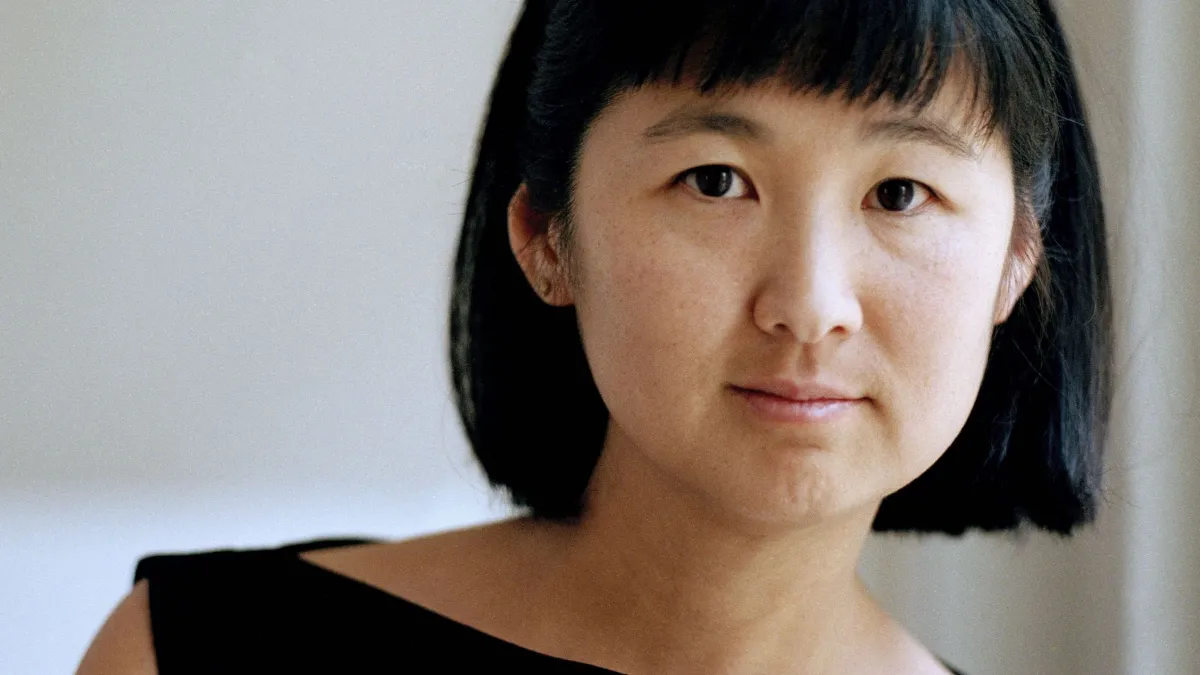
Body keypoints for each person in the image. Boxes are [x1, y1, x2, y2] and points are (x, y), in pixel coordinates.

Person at [77, 0, 1111, 673]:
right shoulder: (195, 653)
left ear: (1017, 258)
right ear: (546, 237)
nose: (810, 302)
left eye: (900, 191)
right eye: (716, 181)